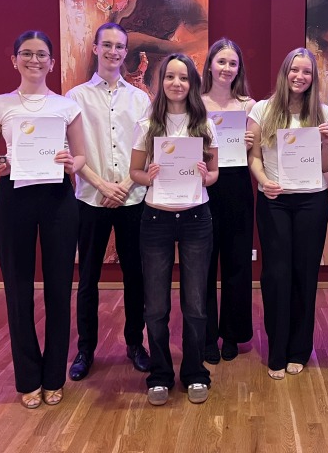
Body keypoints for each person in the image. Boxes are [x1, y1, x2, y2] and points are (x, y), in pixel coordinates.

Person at [0, 30, 86, 409]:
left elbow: (81, 157)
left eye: (42, 54)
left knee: (59, 288)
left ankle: (54, 376)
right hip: (14, 197)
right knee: (18, 288)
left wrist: (71, 163)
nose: (34, 60)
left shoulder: (66, 107)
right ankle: (28, 378)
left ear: (52, 63)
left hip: (58, 198)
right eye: (26, 53)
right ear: (14, 60)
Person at [129, 53, 218, 406]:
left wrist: (204, 176)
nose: (176, 83)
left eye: (183, 77)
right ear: (161, 81)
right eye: (170, 77)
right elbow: (135, 173)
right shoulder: (147, 124)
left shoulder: (204, 123)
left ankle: (195, 372)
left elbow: (214, 174)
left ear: (192, 82)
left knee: (195, 305)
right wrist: (147, 176)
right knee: (155, 307)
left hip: (196, 219)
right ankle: (160, 374)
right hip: (156, 220)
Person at [65, 22, 152, 383]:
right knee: (88, 278)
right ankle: (86, 349)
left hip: (133, 199)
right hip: (91, 198)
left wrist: (124, 186)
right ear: (96, 49)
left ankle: (135, 343)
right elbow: (71, 152)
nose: (113, 52)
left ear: (125, 52)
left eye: (119, 46)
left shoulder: (141, 99)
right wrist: (103, 185)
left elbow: (148, 150)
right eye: (107, 45)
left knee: (136, 277)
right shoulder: (75, 98)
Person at [248, 47, 328, 380]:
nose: (300, 77)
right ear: (285, 73)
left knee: (305, 274)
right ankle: (278, 349)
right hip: (275, 201)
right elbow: (254, 156)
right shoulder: (262, 109)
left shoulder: (324, 113)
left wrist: (327, 144)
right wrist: (263, 181)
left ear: (313, 77)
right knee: (276, 274)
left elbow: (326, 166)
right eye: (294, 70)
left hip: (312, 202)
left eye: (307, 72)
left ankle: (299, 349)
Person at [200, 38, 256, 364]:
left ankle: (232, 334)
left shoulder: (249, 106)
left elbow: (257, 154)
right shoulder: (196, 103)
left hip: (237, 188)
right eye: (221, 61)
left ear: (239, 69)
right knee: (203, 264)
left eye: (232, 63)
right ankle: (206, 335)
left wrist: (250, 143)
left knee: (237, 262)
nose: (226, 68)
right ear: (209, 65)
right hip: (204, 188)